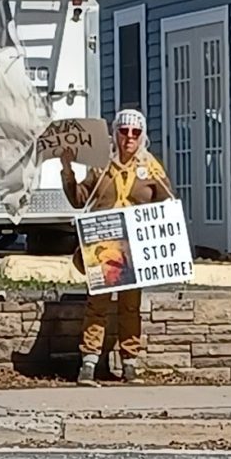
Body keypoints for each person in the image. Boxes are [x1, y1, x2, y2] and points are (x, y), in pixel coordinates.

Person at [60, 109, 172, 386]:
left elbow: (166, 204)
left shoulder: (152, 168)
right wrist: (67, 170)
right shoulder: (101, 166)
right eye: (123, 131)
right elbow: (79, 199)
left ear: (142, 135)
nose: (129, 137)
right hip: (104, 244)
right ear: (115, 134)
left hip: (135, 247)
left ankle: (129, 363)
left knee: (130, 306)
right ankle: (88, 363)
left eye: (135, 132)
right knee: (97, 304)